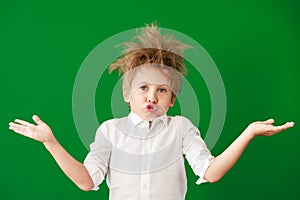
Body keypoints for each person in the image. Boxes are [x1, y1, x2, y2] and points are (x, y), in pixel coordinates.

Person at [8, 23, 294, 200]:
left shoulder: (180, 128)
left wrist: (249, 133)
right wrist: (51, 142)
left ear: (172, 100)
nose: (151, 97)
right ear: (126, 95)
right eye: (143, 88)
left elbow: (212, 171)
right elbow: (86, 181)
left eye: (162, 90)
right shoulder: (109, 130)